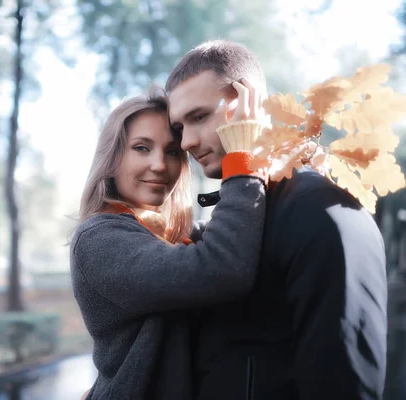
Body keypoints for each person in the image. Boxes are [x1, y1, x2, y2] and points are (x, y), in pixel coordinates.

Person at [166, 40, 388, 399]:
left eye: (199, 117)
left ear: (247, 104)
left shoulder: (320, 209)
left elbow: (344, 380)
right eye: (178, 128)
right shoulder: (234, 217)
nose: (187, 141)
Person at [71, 85, 272, 399]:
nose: (159, 165)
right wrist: (242, 162)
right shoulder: (99, 239)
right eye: (141, 147)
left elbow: (230, 238)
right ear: (113, 158)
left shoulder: (171, 234)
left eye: (172, 151)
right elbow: (221, 267)